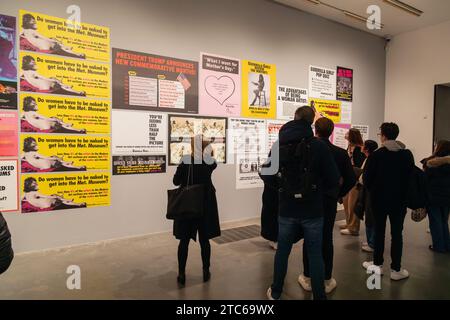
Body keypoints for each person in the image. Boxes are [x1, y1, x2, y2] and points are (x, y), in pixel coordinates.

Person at [266, 106, 339, 300]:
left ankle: (276, 292)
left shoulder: (279, 144)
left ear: (295, 118)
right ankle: (319, 296)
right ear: (311, 122)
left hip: (287, 209)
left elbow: (266, 173)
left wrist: (281, 188)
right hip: (313, 210)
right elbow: (333, 178)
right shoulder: (320, 146)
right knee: (315, 254)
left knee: (282, 252)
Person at [299, 117, 356, 294]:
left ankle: (308, 276)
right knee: (326, 238)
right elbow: (351, 178)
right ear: (331, 132)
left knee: (308, 237)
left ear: (315, 130)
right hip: (329, 201)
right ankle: (326, 278)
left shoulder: (306, 150)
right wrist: (338, 194)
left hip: (309, 200)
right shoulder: (340, 153)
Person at [362, 123, 415, 280]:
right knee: (397, 234)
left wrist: (375, 191)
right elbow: (410, 177)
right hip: (399, 201)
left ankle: (377, 265)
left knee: (379, 232)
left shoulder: (377, 155)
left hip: (379, 201)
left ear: (383, 136)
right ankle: (396, 269)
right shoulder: (406, 155)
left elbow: (367, 179)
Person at [172, 135, 221, 286]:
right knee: (205, 241)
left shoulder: (186, 160)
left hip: (188, 204)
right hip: (205, 204)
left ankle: (181, 274)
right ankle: (206, 271)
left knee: (184, 241)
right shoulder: (210, 162)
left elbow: (176, 181)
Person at [421, 140, 450, 253]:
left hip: (433, 197)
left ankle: (439, 246)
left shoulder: (430, 163)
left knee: (435, 222)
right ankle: (447, 245)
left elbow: (425, 180)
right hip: (447, 197)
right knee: (443, 221)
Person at [20, 14, 86, 59]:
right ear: (28, 22)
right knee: (57, 42)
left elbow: (20, 33)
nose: (35, 23)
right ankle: (75, 53)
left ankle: (72, 51)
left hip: (46, 49)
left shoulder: (24, 31)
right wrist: (55, 41)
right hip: (50, 48)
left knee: (60, 46)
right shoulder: (32, 31)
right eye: (33, 21)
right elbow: (44, 38)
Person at [340, 128, 366, 236]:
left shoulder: (359, 149)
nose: (345, 135)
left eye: (348, 133)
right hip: (348, 177)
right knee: (346, 201)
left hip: (355, 179)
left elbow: (359, 166)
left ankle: (354, 228)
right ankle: (348, 223)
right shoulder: (350, 147)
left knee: (353, 203)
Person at [20, 55, 86, 96]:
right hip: (45, 87)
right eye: (33, 62)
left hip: (42, 86)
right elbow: (43, 78)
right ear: (28, 63)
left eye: (34, 62)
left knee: (56, 81)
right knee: (57, 82)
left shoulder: (24, 72)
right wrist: (53, 80)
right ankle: (77, 92)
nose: (35, 63)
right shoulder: (32, 71)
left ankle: (68, 87)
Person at [21, 96, 87, 133]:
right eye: (33, 103)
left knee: (56, 120)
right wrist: (54, 119)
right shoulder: (33, 113)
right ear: (28, 105)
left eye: (35, 103)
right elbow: (44, 117)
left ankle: (67, 125)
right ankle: (76, 129)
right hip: (46, 126)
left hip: (42, 127)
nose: (36, 104)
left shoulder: (25, 113)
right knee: (55, 120)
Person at [21, 137, 87, 172]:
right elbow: (45, 157)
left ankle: (68, 163)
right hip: (46, 164)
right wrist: (56, 158)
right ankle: (76, 167)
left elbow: (21, 158)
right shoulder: (33, 153)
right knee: (56, 159)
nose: (36, 144)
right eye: (33, 143)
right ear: (29, 145)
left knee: (56, 159)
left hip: (41, 166)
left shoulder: (25, 154)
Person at [358, 140, 379, 253]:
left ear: (366, 149)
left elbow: (364, 177)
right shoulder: (371, 158)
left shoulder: (370, 159)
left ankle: (372, 243)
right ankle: (370, 240)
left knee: (371, 217)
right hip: (369, 191)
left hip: (370, 191)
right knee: (369, 216)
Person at [22, 177, 86, 213]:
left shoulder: (25, 193)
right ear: (30, 185)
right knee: (56, 197)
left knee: (56, 197)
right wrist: (55, 196)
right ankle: (77, 204)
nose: (36, 184)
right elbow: (46, 196)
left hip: (42, 206)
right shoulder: (35, 193)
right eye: (34, 183)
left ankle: (66, 199)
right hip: (46, 203)